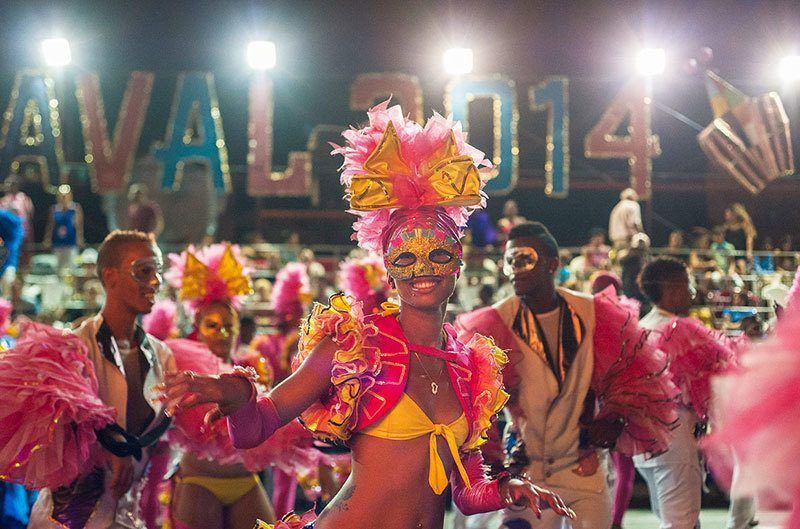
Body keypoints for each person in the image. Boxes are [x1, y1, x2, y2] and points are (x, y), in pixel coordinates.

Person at [162, 101, 575, 529]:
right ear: (388, 266)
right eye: (405, 256)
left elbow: (466, 494)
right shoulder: (355, 346)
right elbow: (255, 429)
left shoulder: (470, 367)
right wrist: (241, 399)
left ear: (457, 263)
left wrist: (508, 490)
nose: (423, 268)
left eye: (437, 252)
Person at [456, 221, 678, 529]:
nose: (514, 269)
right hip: (527, 474)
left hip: (584, 471)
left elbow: (633, 376)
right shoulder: (494, 323)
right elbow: (479, 407)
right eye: (509, 261)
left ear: (552, 264)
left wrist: (614, 416)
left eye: (525, 259)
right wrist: (496, 469)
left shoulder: (594, 313)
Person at [0, 230, 175, 529]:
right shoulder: (72, 349)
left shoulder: (163, 356)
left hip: (128, 519)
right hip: (66, 521)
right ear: (111, 276)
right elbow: (52, 435)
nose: (155, 281)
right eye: (144, 271)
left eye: (157, 271)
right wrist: (104, 447)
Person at [163, 243, 285, 529]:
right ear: (197, 325)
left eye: (229, 326)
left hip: (245, 481)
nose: (222, 334)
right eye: (212, 326)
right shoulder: (183, 367)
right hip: (199, 482)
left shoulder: (253, 366)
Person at [635, 258, 737, 529]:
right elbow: (716, 377)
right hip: (675, 437)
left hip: (642, 442)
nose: (692, 291)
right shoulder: (680, 329)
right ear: (672, 289)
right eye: (687, 283)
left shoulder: (640, 326)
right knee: (681, 521)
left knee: (674, 517)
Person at [43, 184, 85, 271]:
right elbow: (50, 226)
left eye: (65, 196)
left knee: (72, 268)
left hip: (71, 244)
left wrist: (80, 238)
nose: (64, 198)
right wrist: (47, 239)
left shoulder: (75, 208)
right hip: (58, 244)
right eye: (61, 196)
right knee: (58, 269)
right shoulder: (54, 209)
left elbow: (79, 225)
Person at [723, 203, 756, 274]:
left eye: (728, 213)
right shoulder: (726, 226)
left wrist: (749, 251)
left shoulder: (744, 224)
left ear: (734, 214)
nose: (726, 215)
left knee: (742, 268)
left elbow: (749, 237)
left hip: (740, 252)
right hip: (729, 252)